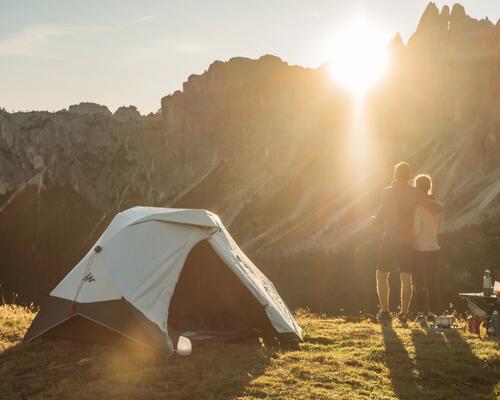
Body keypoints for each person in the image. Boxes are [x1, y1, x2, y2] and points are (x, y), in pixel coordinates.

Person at [372, 162, 443, 325]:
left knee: (381, 274)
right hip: (407, 241)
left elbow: (382, 214)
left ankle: (385, 311)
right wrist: (441, 206)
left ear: (395, 175)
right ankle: (403, 313)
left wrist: (374, 222)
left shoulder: (387, 192)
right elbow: (432, 206)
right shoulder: (415, 193)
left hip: (389, 238)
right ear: (410, 176)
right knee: (405, 277)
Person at [412, 174, 442, 325]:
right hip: (434, 248)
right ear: (429, 186)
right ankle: (432, 314)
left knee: (419, 283)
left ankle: (420, 315)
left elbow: (416, 231)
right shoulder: (437, 206)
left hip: (419, 250)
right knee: (432, 283)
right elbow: (440, 227)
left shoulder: (418, 207)